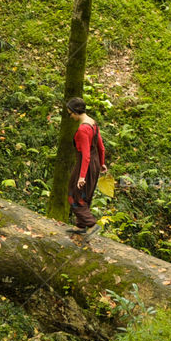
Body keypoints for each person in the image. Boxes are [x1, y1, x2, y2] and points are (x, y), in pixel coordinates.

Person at [65, 97, 107, 236]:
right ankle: (81, 225)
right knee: (85, 194)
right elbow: (101, 146)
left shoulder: (83, 129)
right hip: (94, 164)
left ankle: (91, 224)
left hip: (86, 164)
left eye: (70, 113)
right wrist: (101, 163)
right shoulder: (93, 123)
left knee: (73, 194)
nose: (70, 116)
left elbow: (86, 155)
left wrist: (81, 176)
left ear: (75, 112)